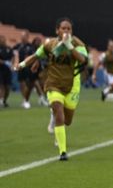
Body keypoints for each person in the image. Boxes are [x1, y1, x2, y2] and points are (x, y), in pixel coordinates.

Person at [17, 17, 88, 161]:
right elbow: (37, 54)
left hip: (72, 84)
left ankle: (55, 115)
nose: (66, 31)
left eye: (69, 29)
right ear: (57, 30)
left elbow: (83, 60)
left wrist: (69, 46)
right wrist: (22, 64)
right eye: (63, 28)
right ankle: (63, 152)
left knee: (67, 121)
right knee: (58, 112)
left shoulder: (78, 44)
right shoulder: (50, 44)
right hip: (53, 84)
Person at [14, 32, 41, 109]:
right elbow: (14, 55)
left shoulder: (30, 46)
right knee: (22, 84)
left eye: (24, 36)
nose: (22, 38)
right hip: (20, 67)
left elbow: (34, 56)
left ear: (27, 37)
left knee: (28, 84)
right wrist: (15, 64)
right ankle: (24, 100)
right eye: (21, 36)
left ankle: (26, 99)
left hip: (28, 68)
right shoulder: (17, 46)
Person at [0, 36, 13, 107]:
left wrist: (11, 63)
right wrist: (4, 62)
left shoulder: (9, 48)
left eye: (3, 39)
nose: (2, 41)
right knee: (1, 86)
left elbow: (13, 57)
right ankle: (1, 100)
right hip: (0, 70)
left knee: (8, 87)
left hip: (8, 70)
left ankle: (4, 100)